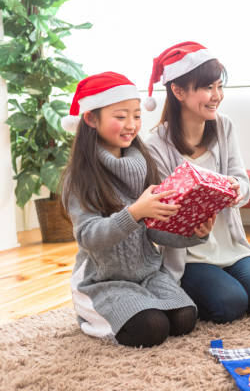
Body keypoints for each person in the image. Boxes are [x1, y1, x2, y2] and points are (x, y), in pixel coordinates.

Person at [61, 72, 214, 347]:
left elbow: (156, 230)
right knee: (151, 328)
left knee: (184, 319)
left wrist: (195, 233)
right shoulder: (81, 176)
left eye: (136, 116)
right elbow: (88, 236)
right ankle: (88, 314)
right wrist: (134, 213)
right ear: (91, 119)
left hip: (147, 275)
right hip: (102, 280)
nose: (131, 125)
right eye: (120, 117)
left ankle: (139, 305)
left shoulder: (143, 163)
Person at [145, 41, 250, 323]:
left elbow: (242, 182)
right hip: (189, 255)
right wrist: (193, 223)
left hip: (230, 246)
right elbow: (159, 214)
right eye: (208, 88)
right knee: (230, 305)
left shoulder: (224, 126)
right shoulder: (155, 144)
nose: (216, 96)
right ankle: (183, 288)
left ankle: (221, 283)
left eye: (219, 86)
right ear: (178, 91)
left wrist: (235, 190)